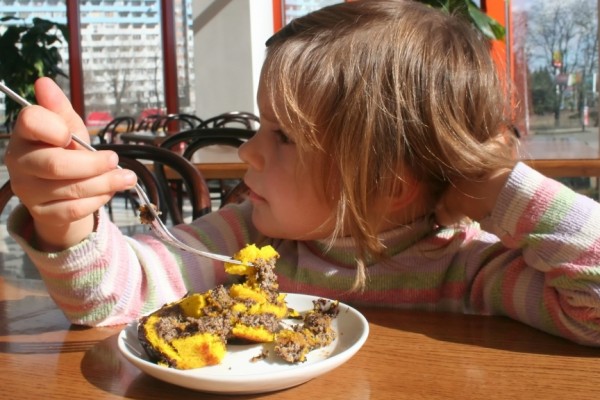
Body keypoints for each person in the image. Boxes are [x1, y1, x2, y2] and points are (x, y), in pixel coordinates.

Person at [5, 0, 600, 346]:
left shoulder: (469, 272)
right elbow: (117, 297)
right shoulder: (243, 242)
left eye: (283, 136)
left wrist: (490, 186)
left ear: (387, 184)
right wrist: (70, 226)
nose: (248, 153)